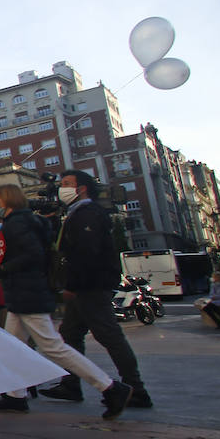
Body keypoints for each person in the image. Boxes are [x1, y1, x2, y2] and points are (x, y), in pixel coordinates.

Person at [0, 184, 132, 418]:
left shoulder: (18, 223)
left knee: (53, 347)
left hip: (27, 294)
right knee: (12, 345)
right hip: (22, 294)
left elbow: (32, 255)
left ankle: (110, 387)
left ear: (7, 199)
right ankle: (15, 395)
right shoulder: (25, 222)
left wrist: (3, 271)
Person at [38, 171, 153, 408]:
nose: (62, 188)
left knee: (109, 336)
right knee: (70, 334)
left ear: (82, 188)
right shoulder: (75, 214)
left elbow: (86, 254)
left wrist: (73, 284)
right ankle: (70, 384)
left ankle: (136, 388)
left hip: (91, 286)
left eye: (67, 184)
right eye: (62, 184)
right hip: (84, 286)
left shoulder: (87, 214)